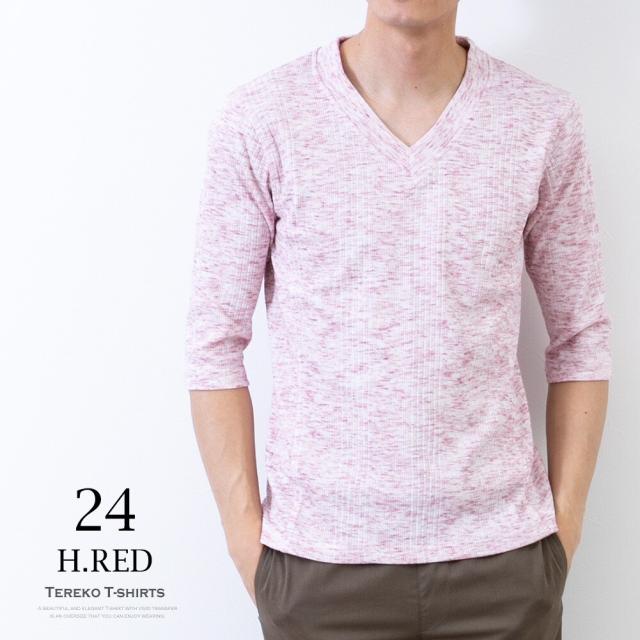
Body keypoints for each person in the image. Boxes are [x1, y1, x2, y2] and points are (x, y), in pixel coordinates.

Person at [185, 1, 612, 638]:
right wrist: (246, 542)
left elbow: (581, 336)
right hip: (317, 567)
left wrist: (564, 528)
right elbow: (214, 342)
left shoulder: (541, 120)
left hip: (505, 566)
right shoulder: (264, 118)